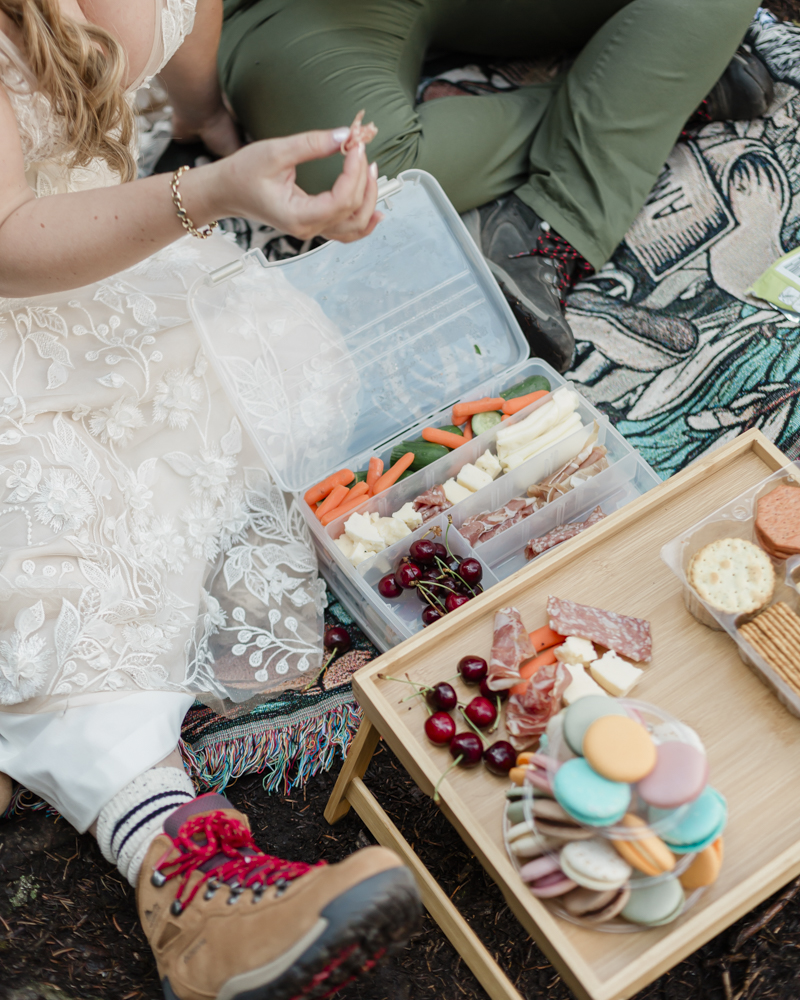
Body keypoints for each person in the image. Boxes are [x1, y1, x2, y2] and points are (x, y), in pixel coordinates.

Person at [0, 2, 421, 999]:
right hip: (15, 290)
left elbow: (186, 30)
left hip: (106, 264)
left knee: (290, 361)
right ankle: (185, 881)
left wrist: (215, 130)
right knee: (56, 509)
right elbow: (7, 241)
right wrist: (209, 191)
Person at [219, 0, 772, 371]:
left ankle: (539, 227)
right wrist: (198, 106)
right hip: (297, 12)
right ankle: (660, 89)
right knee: (343, 171)